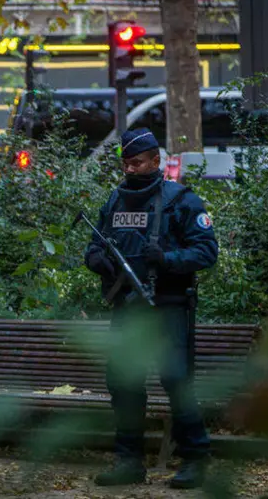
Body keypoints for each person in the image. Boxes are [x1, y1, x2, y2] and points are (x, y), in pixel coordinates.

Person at [84, 128, 218, 489]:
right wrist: (95, 258)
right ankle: (129, 461)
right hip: (127, 308)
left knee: (176, 381)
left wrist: (168, 259)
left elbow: (207, 252)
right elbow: (96, 243)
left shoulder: (181, 200)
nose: (130, 169)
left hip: (169, 306)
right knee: (123, 382)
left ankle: (196, 459)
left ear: (156, 161)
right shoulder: (114, 201)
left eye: (137, 162)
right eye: (126, 163)